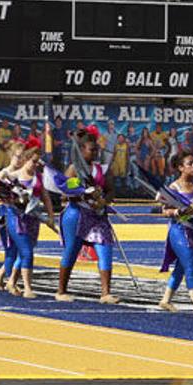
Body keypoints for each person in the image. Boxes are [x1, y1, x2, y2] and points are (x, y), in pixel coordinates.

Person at [58, 126, 118, 304]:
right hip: (76, 215)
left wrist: (103, 200)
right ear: (82, 150)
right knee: (72, 250)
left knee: (105, 248)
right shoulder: (74, 169)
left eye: (96, 150)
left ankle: (106, 293)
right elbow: (64, 193)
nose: (95, 153)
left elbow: (111, 190)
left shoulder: (101, 169)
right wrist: (85, 194)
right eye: (92, 150)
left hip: (97, 216)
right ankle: (61, 290)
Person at [157, 151, 193, 314]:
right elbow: (163, 211)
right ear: (180, 167)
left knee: (182, 266)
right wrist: (179, 212)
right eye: (190, 163)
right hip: (180, 230)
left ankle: (165, 299)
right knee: (191, 263)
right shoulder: (173, 188)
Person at [2, 137, 55, 299]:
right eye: (33, 161)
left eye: (38, 163)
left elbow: (45, 198)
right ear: (26, 160)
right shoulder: (13, 176)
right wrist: (17, 199)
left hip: (33, 220)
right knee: (27, 252)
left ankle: (11, 281)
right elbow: (3, 198)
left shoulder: (38, 177)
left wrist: (51, 216)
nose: (36, 165)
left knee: (26, 252)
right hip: (16, 219)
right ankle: (28, 288)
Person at [0, 140, 27, 293]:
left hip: (22, 215)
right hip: (6, 214)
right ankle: (10, 281)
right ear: (11, 156)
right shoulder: (4, 173)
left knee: (22, 249)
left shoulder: (24, 172)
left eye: (22, 157)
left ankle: (3, 274)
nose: (20, 160)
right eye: (17, 156)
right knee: (11, 250)